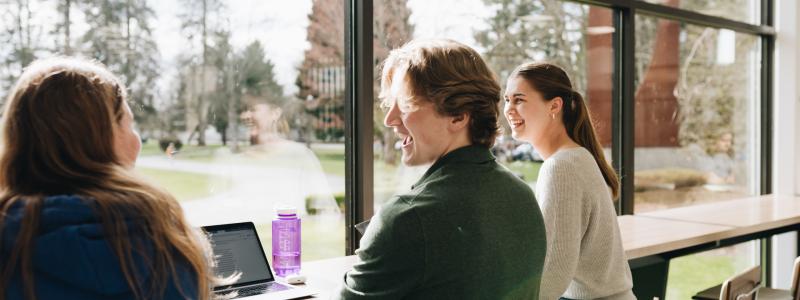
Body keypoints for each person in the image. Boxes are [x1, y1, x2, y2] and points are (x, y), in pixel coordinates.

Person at [335, 39, 547, 299]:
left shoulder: (408, 217)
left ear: (458, 116)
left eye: (406, 103)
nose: (390, 119)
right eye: (389, 104)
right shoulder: (522, 196)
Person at [0, 58, 227, 300]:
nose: (137, 141)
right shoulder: (171, 243)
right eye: (129, 124)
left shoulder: (9, 243)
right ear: (101, 141)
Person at [503, 62, 635, 299]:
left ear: (554, 105)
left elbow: (553, 272)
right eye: (506, 100)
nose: (509, 109)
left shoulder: (561, 167)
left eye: (519, 100)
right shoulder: (577, 156)